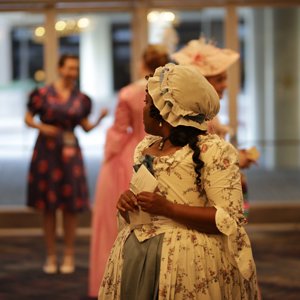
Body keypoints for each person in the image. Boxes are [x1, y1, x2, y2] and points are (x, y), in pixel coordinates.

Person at [99, 63, 259, 299]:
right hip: (139, 254)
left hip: (189, 261)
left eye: (146, 103)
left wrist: (168, 209)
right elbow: (143, 208)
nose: (142, 109)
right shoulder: (146, 148)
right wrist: (128, 203)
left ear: (164, 111)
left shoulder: (213, 150)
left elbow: (230, 219)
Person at [87, 44, 170, 299]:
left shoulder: (128, 93)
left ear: (142, 64)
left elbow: (118, 130)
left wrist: (109, 156)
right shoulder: (169, 91)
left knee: (123, 219)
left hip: (129, 156)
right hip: (164, 151)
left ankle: (120, 277)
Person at [25, 54, 107, 274]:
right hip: (46, 151)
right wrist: (42, 128)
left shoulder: (81, 99)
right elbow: (28, 118)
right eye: (70, 68)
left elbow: (86, 126)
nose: (73, 72)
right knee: (48, 207)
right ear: (60, 68)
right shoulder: (42, 94)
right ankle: (51, 255)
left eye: (76, 68)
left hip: (71, 153)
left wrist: (99, 119)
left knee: (71, 207)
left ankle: (69, 254)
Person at [172, 38, 258, 217]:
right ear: (203, 86)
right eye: (219, 80)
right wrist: (237, 159)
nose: (225, 85)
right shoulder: (202, 120)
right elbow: (205, 161)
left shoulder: (205, 116)